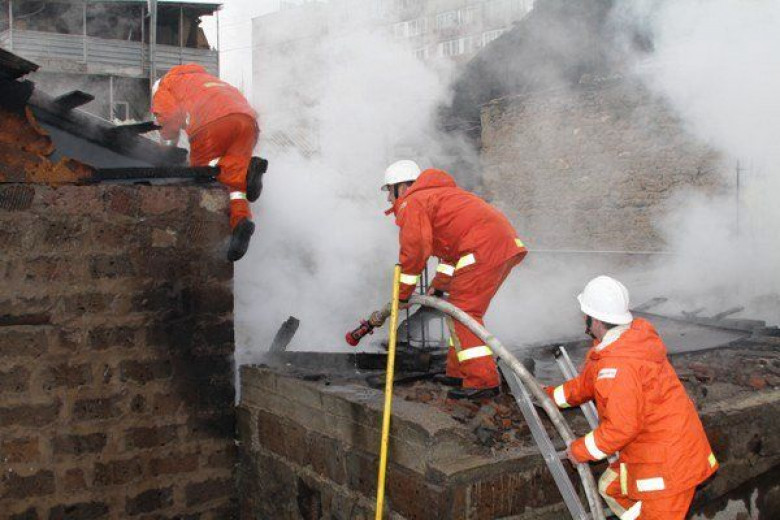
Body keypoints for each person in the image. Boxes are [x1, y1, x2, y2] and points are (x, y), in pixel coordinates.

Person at [547, 276, 718, 519]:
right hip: (662, 449)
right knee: (610, 487)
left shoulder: (618, 366)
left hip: (667, 472)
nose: (583, 319)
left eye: (585, 314)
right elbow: (586, 385)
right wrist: (548, 396)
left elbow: (621, 428)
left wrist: (580, 450)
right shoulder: (627, 342)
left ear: (595, 320)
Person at [367, 160, 527, 400]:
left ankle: (482, 381)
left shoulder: (414, 202)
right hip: (500, 247)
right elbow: (451, 251)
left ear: (402, 187)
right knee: (459, 312)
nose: (389, 199)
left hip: (483, 249)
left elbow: (414, 252)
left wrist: (402, 294)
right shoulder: (440, 197)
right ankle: (460, 372)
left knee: (464, 313)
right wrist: (440, 285)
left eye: (389, 191)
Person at [151, 64, 266, 262]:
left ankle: (247, 171)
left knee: (202, 172)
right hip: (248, 123)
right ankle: (241, 222)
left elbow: (168, 117)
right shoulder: (209, 81)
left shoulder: (165, 85)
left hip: (211, 124)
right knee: (234, 183)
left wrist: (167, 148)